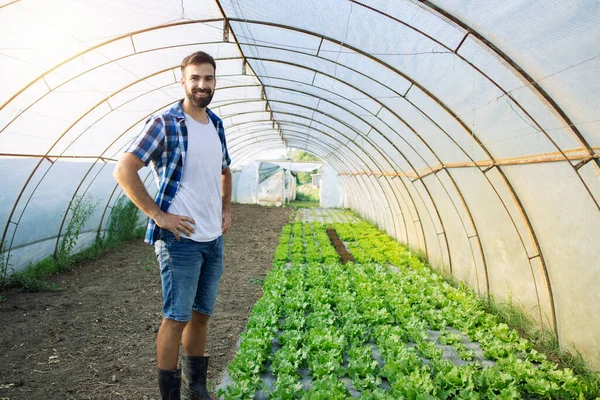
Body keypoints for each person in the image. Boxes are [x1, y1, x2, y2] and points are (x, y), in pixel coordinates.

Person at [113, 51, 231, 400]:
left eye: (208, 78)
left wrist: (226, 208)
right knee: (176, 317)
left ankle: (197, 388)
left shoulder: (216, 124)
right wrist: (159, 215)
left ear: (214, 82)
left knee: (201, 316)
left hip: (212, 238)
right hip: (180, 240)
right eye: (195, 78)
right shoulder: (165, 123)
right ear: (183, 81)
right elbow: (124, 169)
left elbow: (225, 169)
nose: (202, 85)